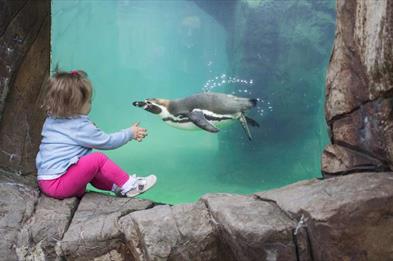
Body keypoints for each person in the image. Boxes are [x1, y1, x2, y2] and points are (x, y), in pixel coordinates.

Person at [35, 69, 156, 199]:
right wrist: (129, 133)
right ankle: (130, 186)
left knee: (89, 166)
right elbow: (107, 142)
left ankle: (118, 187)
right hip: (58, 184)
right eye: (89, 101)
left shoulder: (52, 119)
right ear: (75, 106)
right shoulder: (79, 126)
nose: (90, 104)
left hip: (46, 181)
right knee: (97, 159)